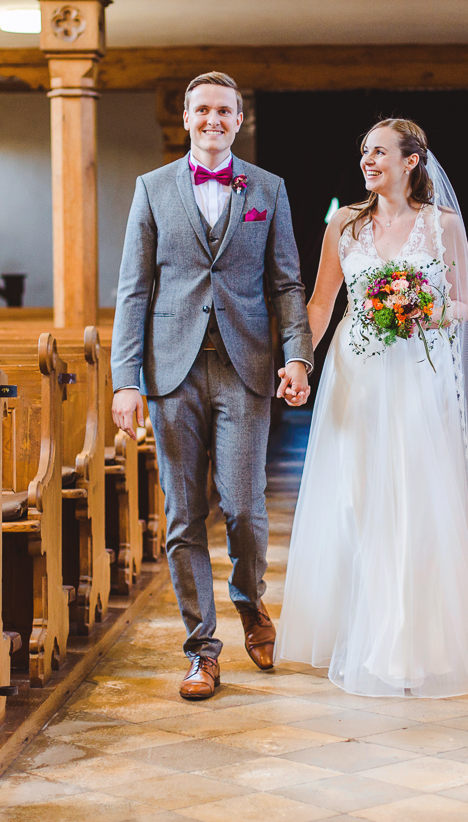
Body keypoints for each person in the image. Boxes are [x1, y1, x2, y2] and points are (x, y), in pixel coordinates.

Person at [276, 118, 468, 698]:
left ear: (411, 161)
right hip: (356, 376)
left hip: (417, 378)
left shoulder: (443, 226)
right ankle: (363, 635)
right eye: (363, 152)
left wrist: (421, 308)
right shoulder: (343, 226)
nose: (367, 161)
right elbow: (323, 302)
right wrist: (300, 363)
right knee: (361, 500)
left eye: (379, 152)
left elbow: (462, 309)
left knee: (416, 503)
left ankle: (412, 646)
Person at [111, 72, 314, 701]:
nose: (213, 120)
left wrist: (297, 357)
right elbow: (134, 289)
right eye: (202, 110)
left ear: (239, 118)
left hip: (244, 367)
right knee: (181, 515)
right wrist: (126, 379)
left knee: (246, 508)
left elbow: (286, 284)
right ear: (186, 116)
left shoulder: (268, 190)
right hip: (171, 372)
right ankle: (202, 650)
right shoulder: (151, 190)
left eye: (224, 111)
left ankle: (251, 603)